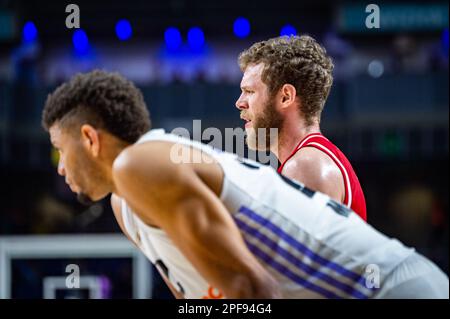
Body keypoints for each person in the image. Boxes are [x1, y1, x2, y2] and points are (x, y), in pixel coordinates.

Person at [42, 70, 448, 299]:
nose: (60, 168)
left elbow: (253, 291)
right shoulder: (125, 204)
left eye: (60, 151)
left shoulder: (139, 163)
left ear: (91, 139)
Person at [235, 35, 367, 220]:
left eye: (249, 91)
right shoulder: (313, 159)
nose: (239, 103)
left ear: (286, 96)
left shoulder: (305, 166)